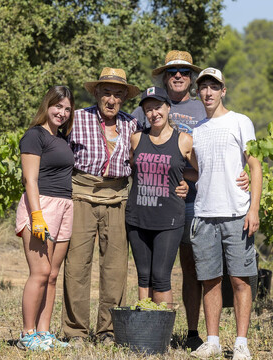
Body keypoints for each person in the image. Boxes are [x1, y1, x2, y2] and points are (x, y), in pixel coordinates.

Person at [61, 68, 189, 345]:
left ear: (123, 99)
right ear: (96, 93)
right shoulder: (77, 119)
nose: (112, 99)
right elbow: (57, 153)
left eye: (118, 94)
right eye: (106, 92)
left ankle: (108, 331)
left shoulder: (132, 125)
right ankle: (76, 332)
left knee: (116, 268)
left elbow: (156, 158)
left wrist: (182, 183)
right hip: (81, 195)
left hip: (118, 198)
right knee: (77, 265)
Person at [131, 50, 248, 350]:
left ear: (192, 78)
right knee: (157, 270)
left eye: (184, 71)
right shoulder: (145, 110)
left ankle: (195, 332)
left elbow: (224, 150)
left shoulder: (203, 107)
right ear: (164, 77)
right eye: (172, 72)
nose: (178, 76)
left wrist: (243, 173)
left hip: (197, 203)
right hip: (156, 203)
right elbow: (131, 145)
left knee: (194, 269)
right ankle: (155, 329)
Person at [189, 68, 263, 360]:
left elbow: (254, 166)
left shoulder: (240, 122)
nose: (207, 92)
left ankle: (241, 343)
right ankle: (213, 341)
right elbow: (197, 169)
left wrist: (253, 208)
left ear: (223, 90)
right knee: (210, 280)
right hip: (204, 214)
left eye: (213, 87)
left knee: (241, 279)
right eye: (203, 88)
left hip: (236, 213)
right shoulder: (197, 130)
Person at [15, 86, 75, 351]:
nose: (61, 113)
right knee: (39, 272)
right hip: (42, 205)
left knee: (52, 274)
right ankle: (27, 335)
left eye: (67, 109)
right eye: (57, 106)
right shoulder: (34, 135)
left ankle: (44, 333)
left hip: (65, 206)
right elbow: (30, 179)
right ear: (47, 106)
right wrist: (36, 216)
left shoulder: (62, 138)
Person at [126, 86, 197, 308]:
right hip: (138, 217)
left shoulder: (183, 140)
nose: (154, 113)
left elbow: (199, 171)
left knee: (161, 276)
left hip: (169, 219)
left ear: (168, 108)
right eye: (148, 109)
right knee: (143, 275)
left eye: (158, 107)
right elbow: (131, 167)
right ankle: (144, 331)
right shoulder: (136, 138)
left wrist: (183, 179)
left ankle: (161, 333)